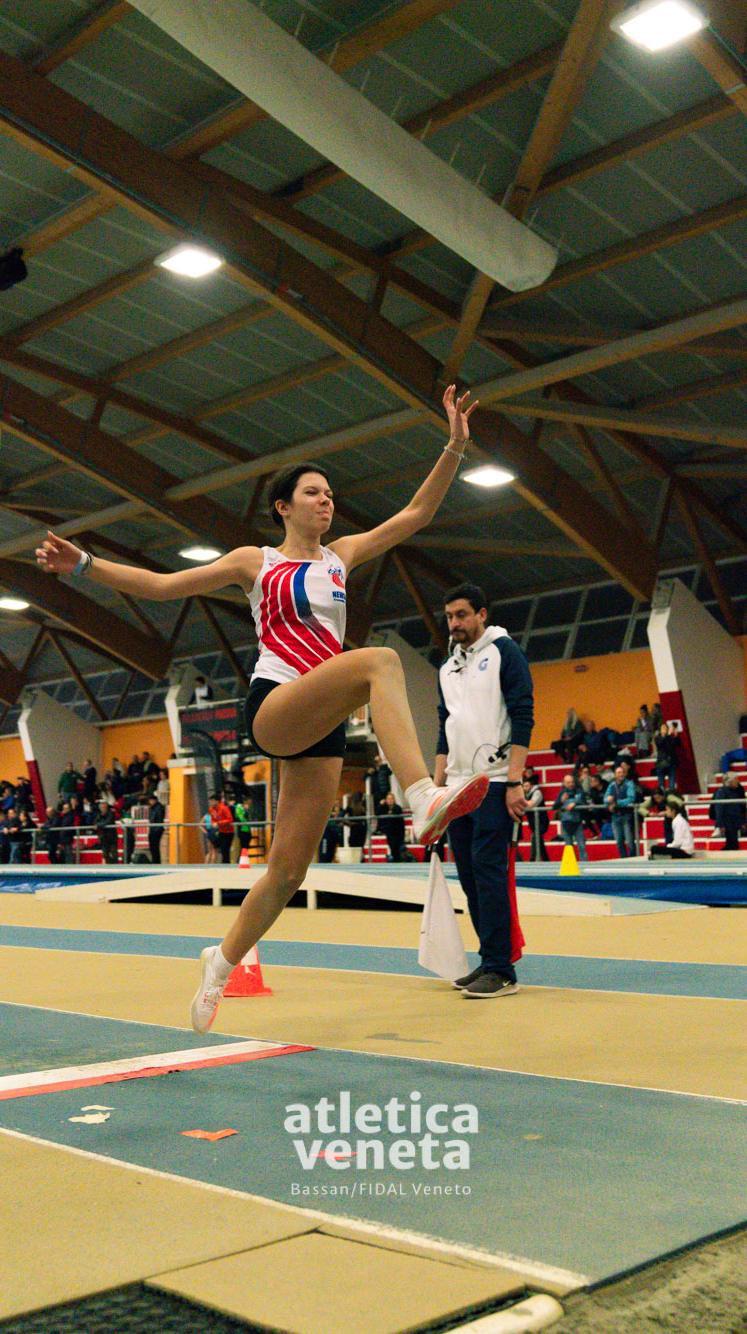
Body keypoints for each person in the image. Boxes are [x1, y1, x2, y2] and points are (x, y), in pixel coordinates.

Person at [35, 384, 491, 1033]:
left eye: (330, 494)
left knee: (287, 873)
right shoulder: (258, 562)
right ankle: (421, 797)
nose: (327, 500)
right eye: (313, 492)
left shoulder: (343, 557)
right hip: (275, 704)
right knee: (380, 662)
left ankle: (218, 964)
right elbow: (161, 587)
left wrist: (454, 447)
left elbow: (416, 513)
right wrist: (84, 564)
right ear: (283, 506)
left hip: (322, 721)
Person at [433, 584, 534, 998]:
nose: (454, 623)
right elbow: (445, 727)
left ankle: (501, 970)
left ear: (481, 614)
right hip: (457, 788)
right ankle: (489, 959)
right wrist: (436, 790)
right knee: (470, 878)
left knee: (489, 873)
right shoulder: (447, 667)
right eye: (449, 617)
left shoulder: (505, 652)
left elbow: (523, 716)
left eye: (461, 615)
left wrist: (514, 781)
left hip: (493, 782)